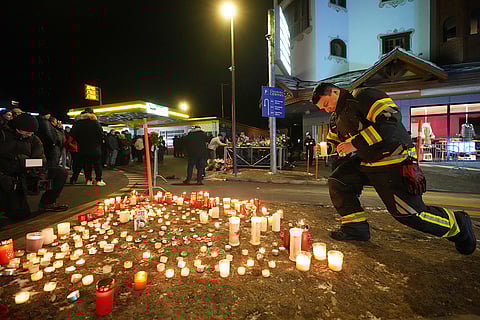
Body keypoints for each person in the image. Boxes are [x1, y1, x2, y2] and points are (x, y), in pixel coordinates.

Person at [311, 82, 476, 255]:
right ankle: (355, 228)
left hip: (394, 159)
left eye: (326, 103)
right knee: (339, 181)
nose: (326, 109)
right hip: (367, 161)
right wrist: (325, 149)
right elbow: (334, 142)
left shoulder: (364, 96)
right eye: (322, 108)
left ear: (334, 91)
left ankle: (457, 224)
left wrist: (354, 143)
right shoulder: (335, 118)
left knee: (409, 214)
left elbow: (390, 119)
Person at [0, 113, 68, 220]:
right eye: (27, 132)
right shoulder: (3, 136)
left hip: (28, 173)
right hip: (8, 177)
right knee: (20, 215)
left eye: (32, 132)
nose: (30, 135)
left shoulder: (34, 139)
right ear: (17, 128)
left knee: (61, 172)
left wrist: (32, 169)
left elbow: (41, 161)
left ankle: (47, 202)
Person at [70, 108, 106, 186]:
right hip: (95, 148)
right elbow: (101, 135)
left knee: (87, 164)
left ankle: (88, 180)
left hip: (83, 148)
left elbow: (72, 135)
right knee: (97, 164)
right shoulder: (95, 123)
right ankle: (98, 180)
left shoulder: (78, 123)